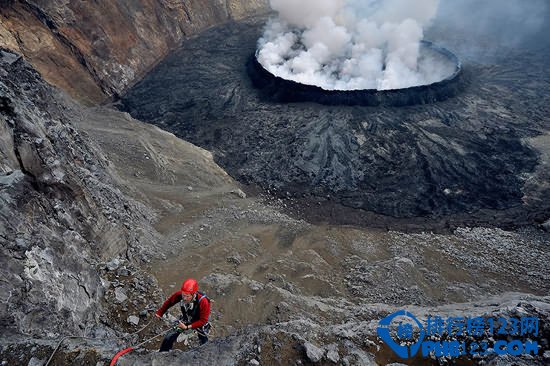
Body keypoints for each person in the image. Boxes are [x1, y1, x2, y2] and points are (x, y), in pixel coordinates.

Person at [155, 278, 211, 351]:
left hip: (199, 322)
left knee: (203, 338)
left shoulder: (203, 302)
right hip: (186, 319)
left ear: (193, 294)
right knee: (168, 337)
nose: (184, 298)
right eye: (183, 295)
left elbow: (203, 320)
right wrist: (160, 313)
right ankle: (163, 352)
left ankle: (205, 352)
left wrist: (187, 327)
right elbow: (169, 302)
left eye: (187, 296)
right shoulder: (180, 295)